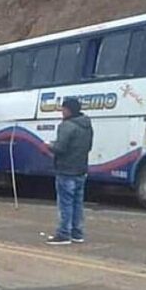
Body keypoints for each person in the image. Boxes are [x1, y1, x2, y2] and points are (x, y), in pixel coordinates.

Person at [47, 98, 94, 245]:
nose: (61, 111)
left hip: (66, 170)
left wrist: (49, 145)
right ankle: (77, 233)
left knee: (65, 203)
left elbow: (60, 148)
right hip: (81, 169)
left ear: (68, 110)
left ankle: (63, 234)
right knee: (77, 203)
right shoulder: (87, 125)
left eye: (63, 109)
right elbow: (89, 147)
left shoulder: (66, 126)